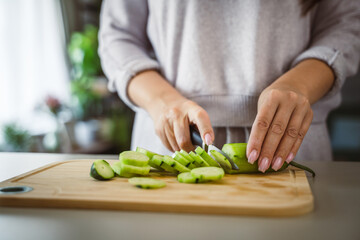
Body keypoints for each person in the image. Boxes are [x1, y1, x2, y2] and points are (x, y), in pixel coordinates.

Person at [98, 0, 360, 172]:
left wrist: (299, 84)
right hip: (170, 146)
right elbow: (117, 35)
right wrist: (162, 101)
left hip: (291, 148)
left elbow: (347, 24)